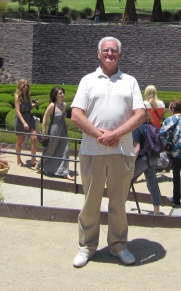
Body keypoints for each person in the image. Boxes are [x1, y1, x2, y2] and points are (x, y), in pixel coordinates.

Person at [70, 37, 145, 268]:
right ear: (98, 54)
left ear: (120, 55)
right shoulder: (87, 81)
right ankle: (87, 246)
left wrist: (115, 135)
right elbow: (76, 114)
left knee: (118, 203)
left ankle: (118, 245)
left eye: (114, 50)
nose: (110, 53)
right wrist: (100, 135)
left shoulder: (130, 81)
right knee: (90, 202)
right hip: (92, 150)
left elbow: (140, 114)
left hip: (121, 151)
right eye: (106, 50)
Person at [131, 112, 163, 214]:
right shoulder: (151, 126)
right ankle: (157, 211)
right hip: (153, 158)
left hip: (143, 158)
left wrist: (131, 165)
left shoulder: (137, 128)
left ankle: (117, 208)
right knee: (153, 184)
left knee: (125, 181)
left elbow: (137, 148)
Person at [40, 86, 74, 180]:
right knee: (51, 149)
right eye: (60, 93)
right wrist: (43, 131)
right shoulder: (52, 105)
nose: (62, 95)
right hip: (54, 129)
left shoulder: (65, 104)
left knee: (65, 149)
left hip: (63, 129)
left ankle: (64, 172)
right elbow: (45, 117)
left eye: (63, 93)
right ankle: (40, 165)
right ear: (55, 95)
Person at [14, 79, 39, 168]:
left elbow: (28, 107)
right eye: (24, 85)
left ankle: (33, 159)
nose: (26, 87)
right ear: (20, 86)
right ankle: (18, 159)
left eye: (27, 85)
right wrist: (24, 123)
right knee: (20, 140)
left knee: (34, 138)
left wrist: (34, 104)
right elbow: (17, 111)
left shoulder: (28, 95)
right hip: (21, 120)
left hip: (30, 118)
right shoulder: (17, 96)